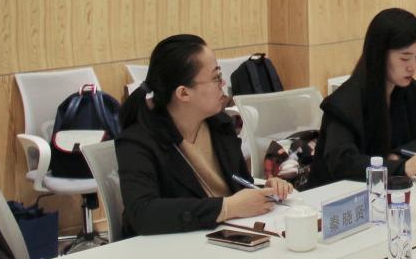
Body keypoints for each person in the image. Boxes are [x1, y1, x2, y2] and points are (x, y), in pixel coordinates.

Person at [116, 34, 292, 237]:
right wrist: (226, 208)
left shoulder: (220, 125)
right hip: (171, 246)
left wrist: (264, 189)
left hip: (226, 237)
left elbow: (239, 184)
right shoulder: (138, 141)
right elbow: (143, 214)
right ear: (183, 93)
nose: (223, 83)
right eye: (216, 77)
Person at [310, 8, 416, 186]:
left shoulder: (409, 91)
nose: (412, 66)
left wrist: (397, 155)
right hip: (337, 194)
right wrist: (400, 167)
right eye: (405, 58)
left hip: (385, 189)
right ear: (380, 55)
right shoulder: (345, 102)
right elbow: (342, 163)